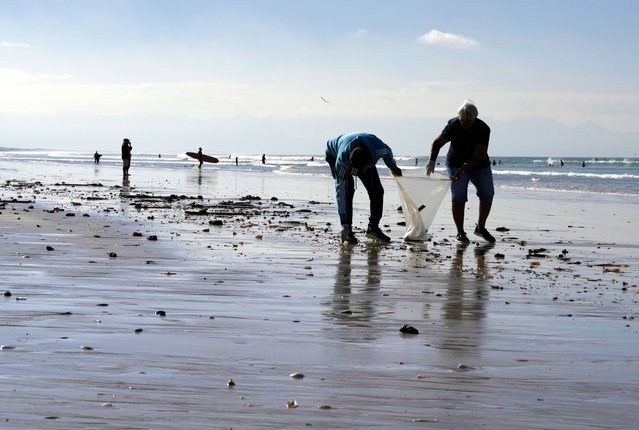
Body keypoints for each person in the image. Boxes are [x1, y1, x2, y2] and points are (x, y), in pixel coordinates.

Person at [426, 100, 495, 244]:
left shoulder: (483, 129)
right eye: (462, 119)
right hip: (455, 162)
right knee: (458, 196)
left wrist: (463, 170)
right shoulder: (453, 125)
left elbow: (479, 155)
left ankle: (481, 228)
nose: (465, 123)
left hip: (479, 164)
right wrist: (432, 161)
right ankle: (460, 233)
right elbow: (437, 142)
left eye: (468, 121)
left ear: (475, 118)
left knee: (487, 194)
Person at [325, 132, 402, 244]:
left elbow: (388, 155)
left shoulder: (380, 149)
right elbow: (340, 193)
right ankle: (348, 231)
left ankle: (373, 228)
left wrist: (394, 169)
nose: (355, 174)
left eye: (358, 172)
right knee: (347, 191)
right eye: (353, 170)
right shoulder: (342, 160)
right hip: (333, 153)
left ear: (369, 162)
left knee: (377, 191)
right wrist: (344, 225)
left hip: (367, 149)